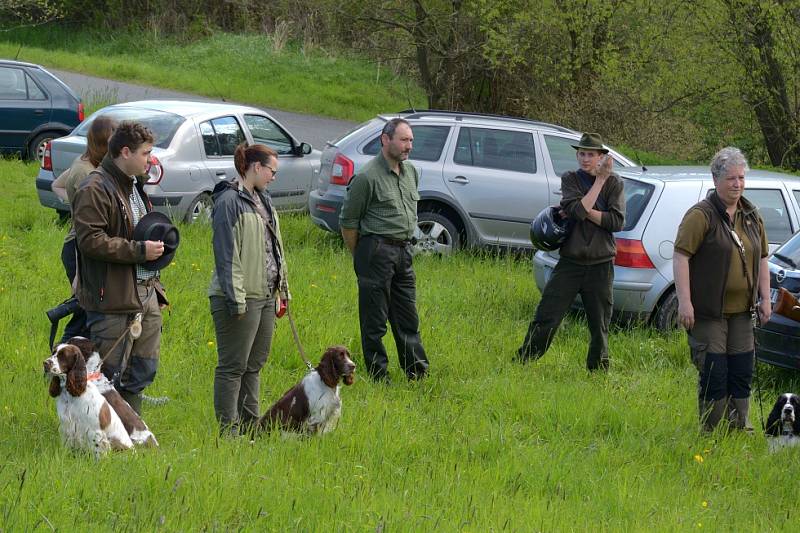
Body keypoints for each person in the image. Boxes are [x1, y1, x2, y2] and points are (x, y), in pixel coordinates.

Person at [72, 121, 167, 415]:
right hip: (112, 298)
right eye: (146, 153)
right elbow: (90, 241)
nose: (150, 159)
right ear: (125, 152)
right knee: (106, 374)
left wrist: (156, 290)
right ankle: (98, 435)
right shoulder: (95, 187)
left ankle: (131, 431)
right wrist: (140, 251)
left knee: (141, 370)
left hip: (144, 293)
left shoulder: (135, 185)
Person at [673, 146, 770, 432]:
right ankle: (712, 431)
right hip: (708, 313)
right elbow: (681, 257)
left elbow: (763, 257)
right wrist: (685, 303)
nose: (737, 184)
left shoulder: (751, 215)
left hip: (743, 313)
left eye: (741, 178)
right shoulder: (700, 215)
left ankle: (739, 427)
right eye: (731, 178)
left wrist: (765, 298)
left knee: (741, 371)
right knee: (715, 371)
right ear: (716, 180)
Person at [517, 132, 625, 370]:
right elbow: (576, 213)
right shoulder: (570, 179)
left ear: (601, 157)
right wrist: (597, 184)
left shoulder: (615, 183)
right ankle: (523, 361)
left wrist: (584, 209)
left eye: (591, 154)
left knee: (600, 324)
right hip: (571, 261)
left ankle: (598, 372)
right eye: (582, 154)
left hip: (601, 263)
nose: (585, 159)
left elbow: (617, 222)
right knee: (547, 315)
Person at [208, 142, 290, 436]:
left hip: (266, 296)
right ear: (256, 167)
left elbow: (276, 249)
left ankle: (250, 425)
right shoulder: (229, 202)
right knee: (233, 367)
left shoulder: (264, 200)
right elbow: (226, 256)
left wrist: (283, 292)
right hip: (239, 299)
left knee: (254, 365)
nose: (273, 177)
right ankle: (228, 431)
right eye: (272, 171)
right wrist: (237, 301)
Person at [339, 118, 429, 382]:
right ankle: (379, 375)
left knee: (407, 316)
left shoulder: (411, 171)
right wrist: (363, 256)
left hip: (404, 252)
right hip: (375, 251)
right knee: (374, 320)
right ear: (385, 140)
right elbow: (348, 222)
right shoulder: (367, 177)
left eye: (411, 140)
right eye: (403, 140)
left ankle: (417, 372)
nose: (409, 146)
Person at [51, 116, 117, 343]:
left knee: (88, 314)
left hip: (85, 247)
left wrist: (73, 203)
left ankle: (75, 367)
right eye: (114, 141)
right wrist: (79, 274)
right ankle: (58, 362)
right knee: (83, 316)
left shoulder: (85, 164)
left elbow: (57, 185)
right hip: (78, 249)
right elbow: (84, 230)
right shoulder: (86, 172)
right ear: (103, 143)